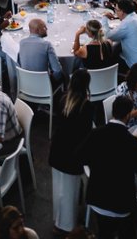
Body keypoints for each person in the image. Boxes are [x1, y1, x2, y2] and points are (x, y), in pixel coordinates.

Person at [80, 95, 137, 239]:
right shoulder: (133, 143)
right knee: (133, 224)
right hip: (121, 205)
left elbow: (81, 157)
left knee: (104, 232)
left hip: (96, 198)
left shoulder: (96, 133)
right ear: (129, 114)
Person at [49, 69, 95, 234]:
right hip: (72, 155)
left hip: (57, 151)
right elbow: (87, 134)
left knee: (59, 189)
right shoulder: (86, 106)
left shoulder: (62, 99)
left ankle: (58, 220)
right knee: (69, 192)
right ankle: (68, 225)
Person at [18, 17, 63, 84]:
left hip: (27, 85)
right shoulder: (46, 45)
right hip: (44, 86)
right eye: (44, 27)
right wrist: (54, 80)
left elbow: (20, 63)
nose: (47, 29)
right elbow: (57, 71)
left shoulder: (22, 43)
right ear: (38, 30)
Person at [113, 0, 137, 70]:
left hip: (136, 67)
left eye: (116, 10)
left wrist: (104, 18)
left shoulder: (127, 23)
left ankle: (113, 77)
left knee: (111, 54)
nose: (115, 12)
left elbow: (109, 36)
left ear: (122, 12)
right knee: (118, 46)